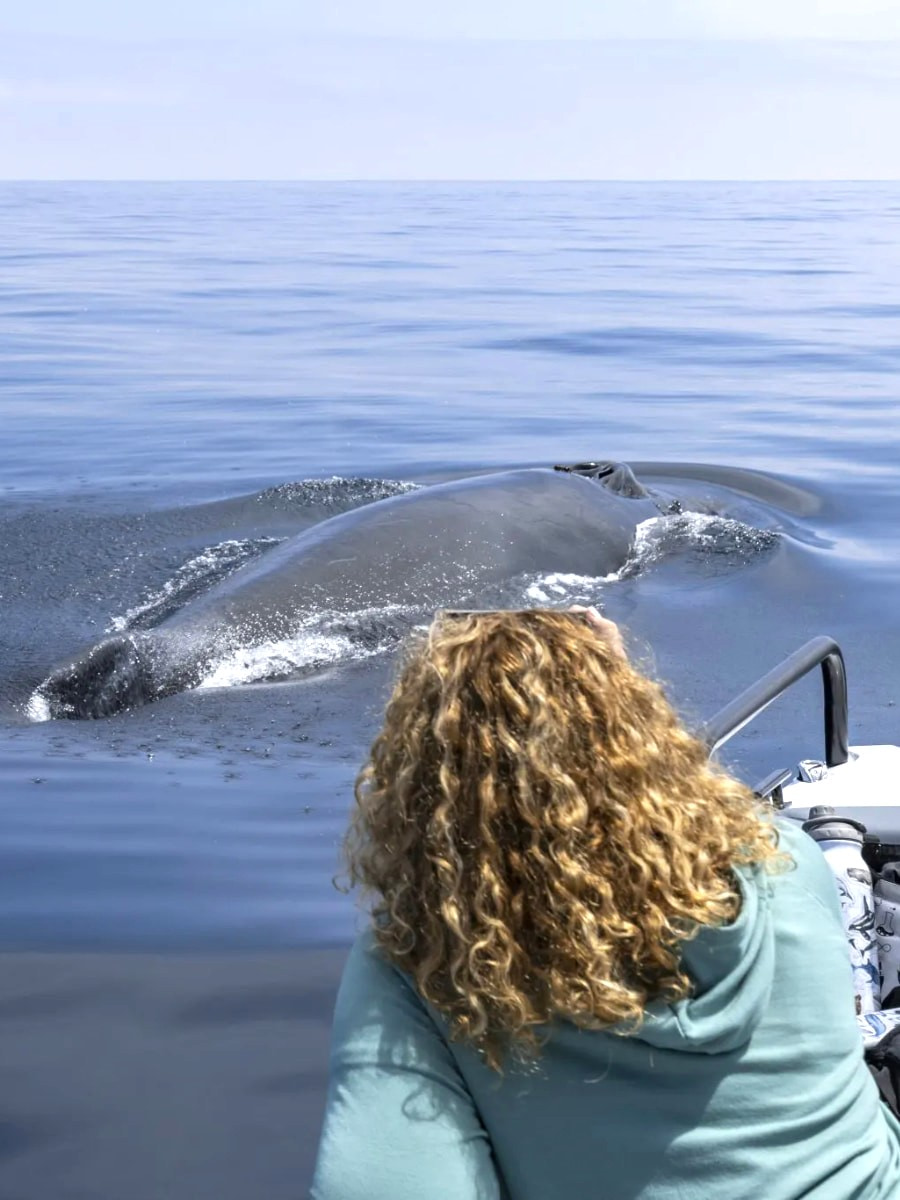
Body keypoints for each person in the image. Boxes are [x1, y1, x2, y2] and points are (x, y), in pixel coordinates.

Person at [310, 608, 900, 1199]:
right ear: (639, 739)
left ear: (417, 784)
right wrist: (610, 695)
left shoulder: (422, 956)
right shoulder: (782, 861)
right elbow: (682, 817)